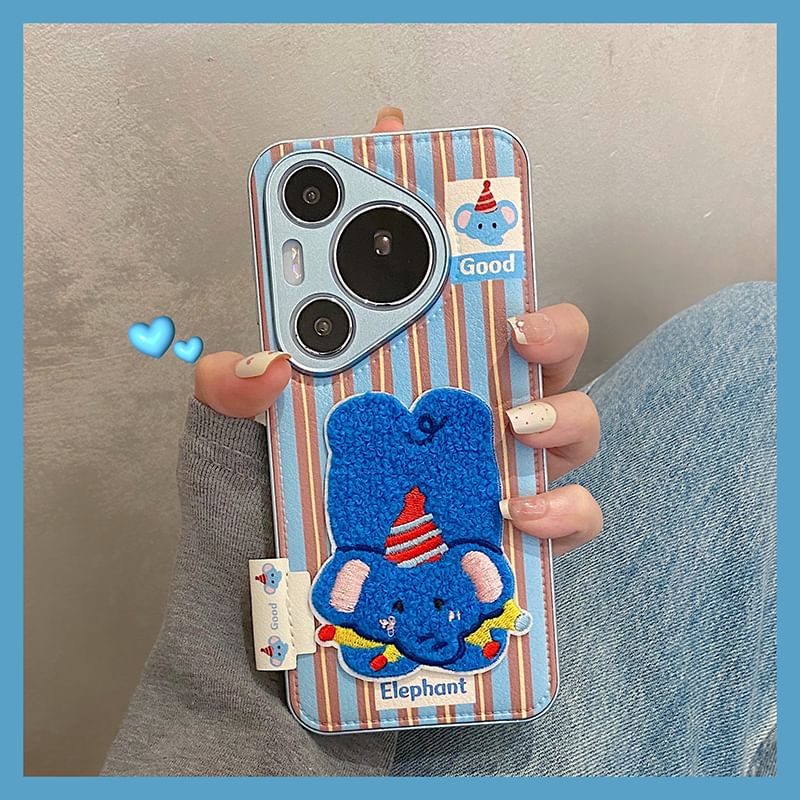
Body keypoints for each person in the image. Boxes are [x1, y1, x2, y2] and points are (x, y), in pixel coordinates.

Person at [102, 109, 776, 777]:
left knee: (750, 332)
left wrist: (252, 555)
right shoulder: (446, 581)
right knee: (754, 337)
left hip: (299, 721)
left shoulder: (382, 578)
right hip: (362, 724)